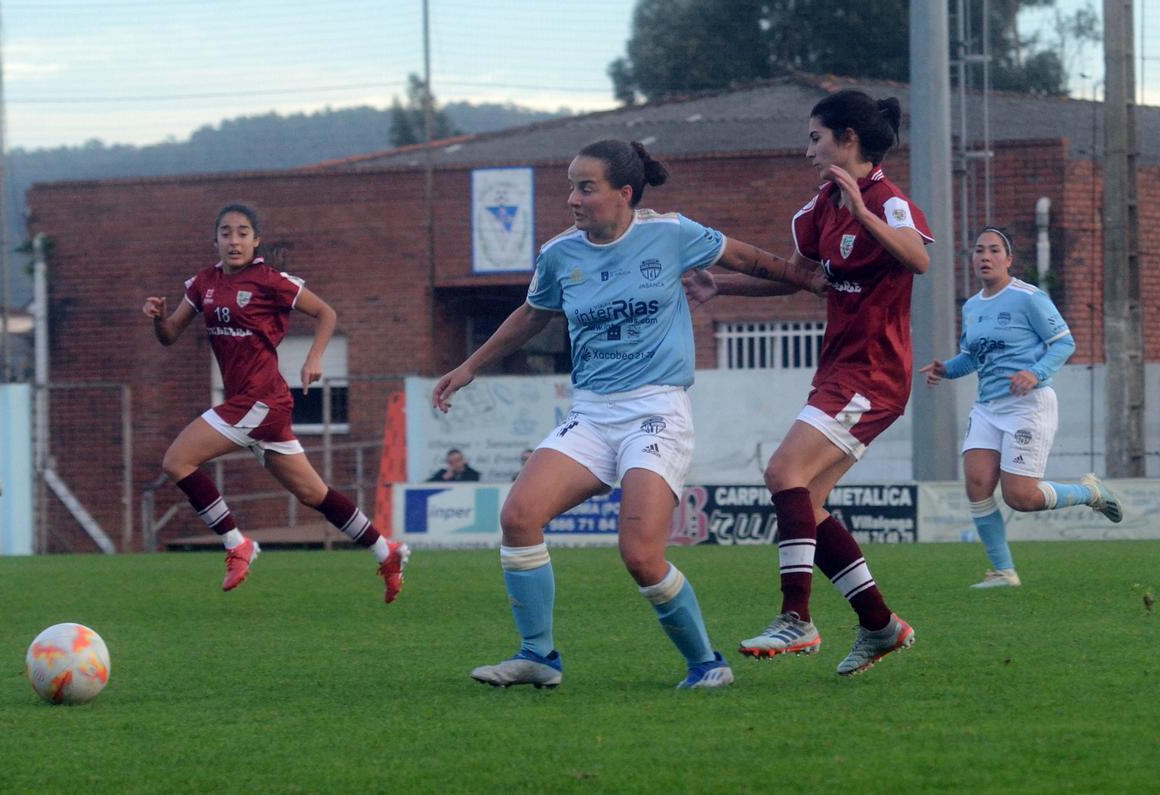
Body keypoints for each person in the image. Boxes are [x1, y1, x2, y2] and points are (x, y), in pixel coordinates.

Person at [432, 138, 822, 689]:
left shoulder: (671, 233)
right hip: (591, 414)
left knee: (640, 555)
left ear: (624, 193)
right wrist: (469, 366)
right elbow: (531, 315)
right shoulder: (559, 255)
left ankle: (706, 664)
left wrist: (809, 280)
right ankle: (538, 656)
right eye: (570, 186)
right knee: (519, 517)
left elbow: (749, 259)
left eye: (584, 187)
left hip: (656, 410)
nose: (571, 198)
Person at [691, 90, 927, 676]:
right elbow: (802, 279)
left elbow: (918, 260)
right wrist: (724, 287)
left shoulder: (888, 201)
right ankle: (880, 625)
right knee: (808, 505)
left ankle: (796, 617)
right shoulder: (820, 207)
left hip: (874, 374)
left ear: (848, 138)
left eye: (816, 139)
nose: (808, 151)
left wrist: (863, 210)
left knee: (782, 473)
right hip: (840, 370)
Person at [142, 202, 408, 600]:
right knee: (313, 494)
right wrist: (158, 319)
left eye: (243, 232)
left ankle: (237, 544)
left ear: (256, 240)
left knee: (177, 460)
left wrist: (314, 357)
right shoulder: (203, 284)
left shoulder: (269, 280)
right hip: (253, 406)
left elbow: (326, 313)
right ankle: (386, 552)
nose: (234, 240)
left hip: (260, 401)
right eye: (226, 232)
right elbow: (169, 336)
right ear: (214, 239)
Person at [920, 227, 1123, 589]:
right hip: (987, 407)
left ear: (1008, 259)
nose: (985, 257)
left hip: (1028, 405)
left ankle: (1091, 493)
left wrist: (1036, 372)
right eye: (978, 250)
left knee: (1021, 498)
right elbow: (972, 358)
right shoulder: (971, 307)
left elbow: (1064, 343)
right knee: (977, 483)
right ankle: (1003, 572)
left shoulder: (1029, 297)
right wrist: (945, 369)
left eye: (994, 250)